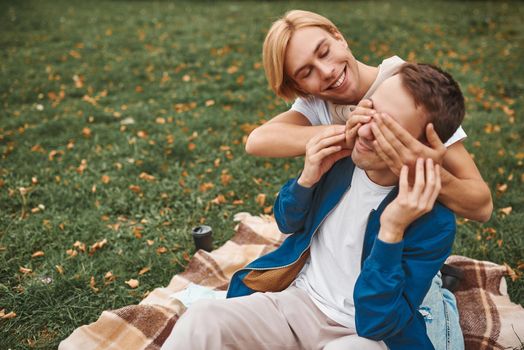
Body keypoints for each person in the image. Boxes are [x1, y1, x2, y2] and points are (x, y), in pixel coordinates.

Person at [163, 62, 465, 349]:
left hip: (364, 336)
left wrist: (392, 229)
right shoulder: (340, 162)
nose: (366, 130)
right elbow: (287, 222)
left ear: (424, 149)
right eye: (371, 110)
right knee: (203, 318)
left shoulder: (434, 222)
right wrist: (306, 180)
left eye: (390, 129)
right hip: (301, 305)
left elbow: (378, 323)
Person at [246, 10, 492, 223]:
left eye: (324, 52)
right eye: (307, 72)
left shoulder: (410, 89)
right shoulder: (317, 103)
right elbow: (257, 141)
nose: (328, 71)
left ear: (338, 37)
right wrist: (350, 133)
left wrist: (420, 169)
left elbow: (482, 207)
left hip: (401, 249)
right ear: (300, 87)